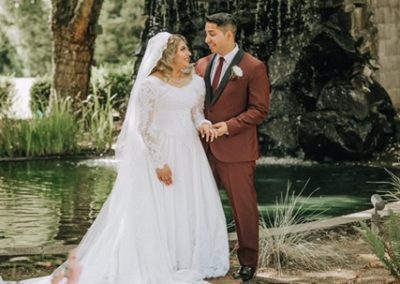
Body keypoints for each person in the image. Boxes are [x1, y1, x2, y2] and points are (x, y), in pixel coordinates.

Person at [20, 32, 229, 284]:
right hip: (161, 153)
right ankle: (163, 259)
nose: (189, 54)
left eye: (186, 49)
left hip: (190, 153)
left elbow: (196, 114)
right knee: (162, 207)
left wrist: (204, 124)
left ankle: (184, 259)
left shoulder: (196, 83)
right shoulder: (150, 85)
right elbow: (144, 127)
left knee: (187, 204)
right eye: (183, 49)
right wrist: (159, 162)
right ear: (168, 55)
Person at [195, 12, 270, 281]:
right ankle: (203, 258)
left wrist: (228, 126)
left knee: (243, 208)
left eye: (212, 34)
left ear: (229, 34)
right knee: (199, 206)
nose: (207, 39)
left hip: (237, 151)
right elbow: (197, 105)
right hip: (201, 150)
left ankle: (248, 262)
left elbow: (260, 110)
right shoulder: (201, 65)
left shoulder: (253, 67)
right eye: (206, 33)